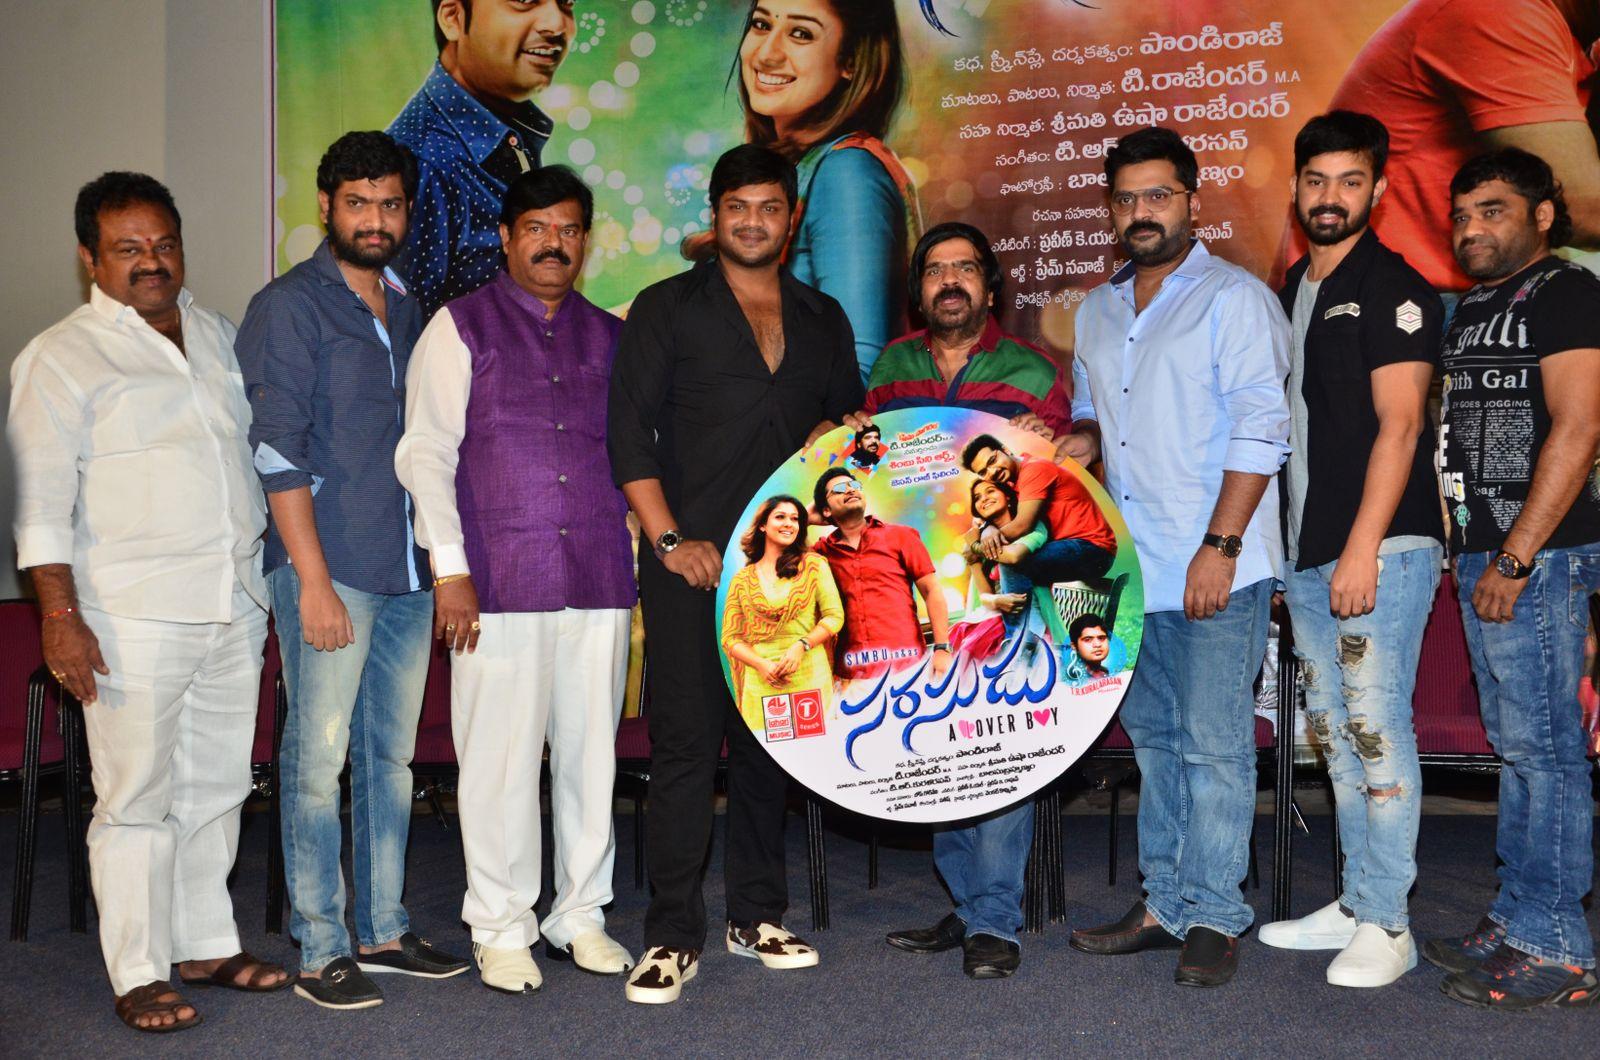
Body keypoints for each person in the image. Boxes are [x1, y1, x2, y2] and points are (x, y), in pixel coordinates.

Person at [9, 172, 289, 1032]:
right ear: (89, 258)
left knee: (217, 786)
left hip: (232, 599)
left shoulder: (216, 333)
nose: (151, 262)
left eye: (164, 244)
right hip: (129, 614)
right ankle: (136, 970)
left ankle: (203, 943)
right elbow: (39, 503)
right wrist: (60, 618)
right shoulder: (59, 357)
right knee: (134, 798)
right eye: (128, 249)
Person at [607, 144, 863, 1004]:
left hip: (787, 575)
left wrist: (836, 440)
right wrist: (670, 540)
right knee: (685, 748)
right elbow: (627, 438)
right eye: (737, 208)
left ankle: (756, 916)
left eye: (768, 208)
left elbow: (841, 430)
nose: (752, 222)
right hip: (691, 570)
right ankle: (671, 935)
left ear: (792, 219)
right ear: (714, 216)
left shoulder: (823, 316)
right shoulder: (666, 308)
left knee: (770, 745)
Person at [237, 132, 468, 1010]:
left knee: (389, 761)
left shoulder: (411, 307)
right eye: (358, 203)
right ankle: (320, 947)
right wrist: (313, 582)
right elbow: (275, 452)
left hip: (405, 570)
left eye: (390, 204)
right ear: (327, 207)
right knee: (315, 760)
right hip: (328, 569)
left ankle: (381, 929)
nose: (376, 219)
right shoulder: (288, 307)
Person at [395, 165, 637, 994]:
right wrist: (450, 571)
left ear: (585, 240)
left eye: (568, 229)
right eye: (536, 228)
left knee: (591, 758)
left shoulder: (611, 336)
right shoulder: (459, 327)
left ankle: (580, 915)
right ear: (505, 237)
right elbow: (425, 452)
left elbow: (635, 454)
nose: (552, 244)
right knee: (498, 763)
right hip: (496, 581)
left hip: (598, 574)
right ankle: (500, 926)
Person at [1061, 127, 1290, 988]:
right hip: (1133, 565)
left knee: (1215, 744)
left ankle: (1216, 915)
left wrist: (1220, 546)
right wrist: (1081, 440)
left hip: (1214, 559)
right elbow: (1092, 412)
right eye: (1126, 199)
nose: (1142, 212)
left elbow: (1263, 429)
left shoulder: (1235, 299)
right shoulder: (1096, 309)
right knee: (1156, 741)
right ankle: (1165, 902)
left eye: (1158, 195)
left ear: (1193, 200)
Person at [1257, 112, 1447, 989]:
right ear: (1297, 189)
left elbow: (1401, 427)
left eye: (1350, 181)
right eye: (1316, 181)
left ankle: (1390, 922)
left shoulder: (1394, 287)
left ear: (1379, 189)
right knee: (1333, 735)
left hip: (1382, 547)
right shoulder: (1293, 286)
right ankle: (1357, 899)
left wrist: (1362, 548)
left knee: (1375, 728)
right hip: (1310, 553)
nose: (1330, 197)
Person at [1427, 147, 1600, 1010]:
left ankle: (1559, 946)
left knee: (1547, 751)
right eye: (1462, 215)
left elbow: (1580, 426)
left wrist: (1516, 556)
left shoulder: (1566, 291)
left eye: (1491, 210)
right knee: (1516, 746)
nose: (1471, 229)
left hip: (1537, 557)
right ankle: (1518, 913)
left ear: (1542, 214)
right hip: (1483, 554)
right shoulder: (1471, 308)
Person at [1311, 0, 1600, 292]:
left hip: (1452, 286)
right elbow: (1583, 211)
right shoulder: (1499, 9)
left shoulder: (1578, 37)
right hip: (1394, 297)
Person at [704, 0, 918, 384]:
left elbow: (860, 372)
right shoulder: (794, 168)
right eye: (761, 24)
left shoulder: (848, 173)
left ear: (851, 60)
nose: (767, 54)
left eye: (800, 33)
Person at [389, 0, 573, 317]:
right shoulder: (423, 164)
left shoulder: (505, 130)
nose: (556, 24)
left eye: (567, 2)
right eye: (524, 1)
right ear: (453, 17)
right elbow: (403, 334)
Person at [863, 222, 1070, 439]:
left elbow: (1063, 456)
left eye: (966, 268)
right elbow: (868, 451)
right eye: (934, 271)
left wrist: (1043, 448)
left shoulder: (1036, 372)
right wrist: (854, 433)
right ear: (920, 300)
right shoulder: (892, 362)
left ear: (990, 294)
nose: (949, 279)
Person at [960, 433, 1118, 657]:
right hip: (1070, 548)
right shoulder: (1015, 483)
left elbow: (1022, 526)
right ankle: (1027, 642)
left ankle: (1019, 643)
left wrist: (976, 546)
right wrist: (988, 529)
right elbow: (1005, 519)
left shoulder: (1034, 470)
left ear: (1005, 449)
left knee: (1014, 563)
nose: (991, 472)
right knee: (1015, 567)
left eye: (993, 460)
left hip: (1092, 548)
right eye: (983, 472)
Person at [811, 467, 952, 683]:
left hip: (909, 667)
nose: (850, 490)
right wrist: (806, 518)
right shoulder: (821, 553)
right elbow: (773, 547)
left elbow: (931, 590)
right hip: (852, 677)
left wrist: (942, 648)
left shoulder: (901, 536)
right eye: (839, 489)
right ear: (825, 511)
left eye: (854, 485)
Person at [721, 495, 846, 731]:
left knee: (816, 745)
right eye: (780, 517)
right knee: (764, 749)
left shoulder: (813, 565)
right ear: (762, 525)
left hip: (809, 674)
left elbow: (834, 616)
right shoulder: (742, 580)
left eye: (795, 519)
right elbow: (731, 637)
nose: (789, 523)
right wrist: (760, 664)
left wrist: (802, 645)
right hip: (761, 682)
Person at [1063, 614, 1124, 687]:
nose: (1097, 644)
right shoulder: (1071, 678)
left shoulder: (1106, 673)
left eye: (1101, 638)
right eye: (1088, 640)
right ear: (1074, 646)